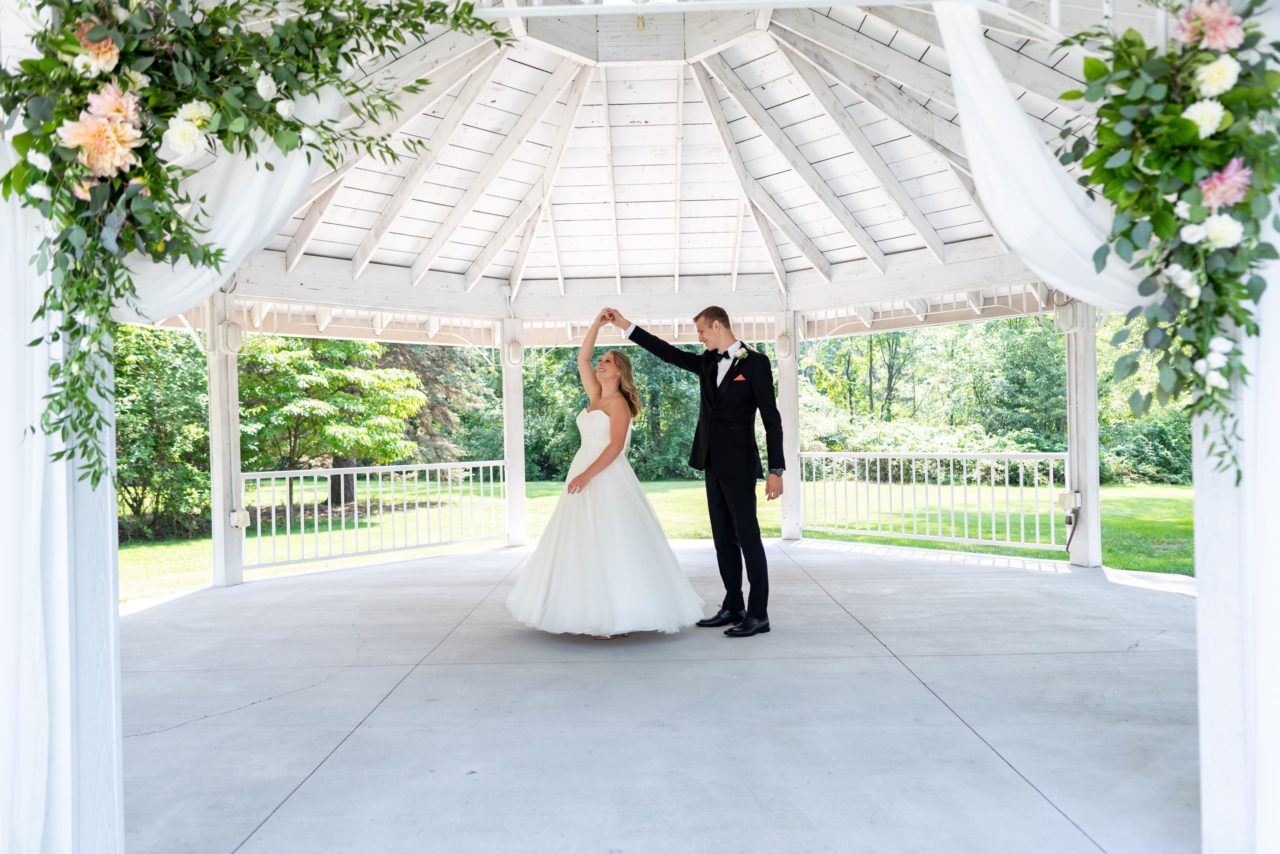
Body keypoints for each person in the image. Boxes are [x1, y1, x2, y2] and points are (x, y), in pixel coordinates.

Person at [506, 310, 704, 638]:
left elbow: (614, 447)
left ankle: (618, 615)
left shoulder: (619, 404)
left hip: (606, 476)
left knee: (614, 542)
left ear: (620, 371)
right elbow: (582, 359)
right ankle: (586, 610)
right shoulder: (595, 397)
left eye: (608, 361)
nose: (600, 363)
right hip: (583, 472)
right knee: (581, 543)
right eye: (602, 360)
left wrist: (586, 476)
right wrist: (597, 324)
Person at [604, 306, 783, 638]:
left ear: (717, 326)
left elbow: (771, 419)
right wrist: (625, 326)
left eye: (701, 331)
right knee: (722, 540)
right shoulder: (707, 362)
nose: (699, 338)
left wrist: (776, 469)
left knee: (749, 539)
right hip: (711, 462)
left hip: (741, 465)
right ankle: (734, 605)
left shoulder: (755, 364)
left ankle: (758, 614)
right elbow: (666, 352)